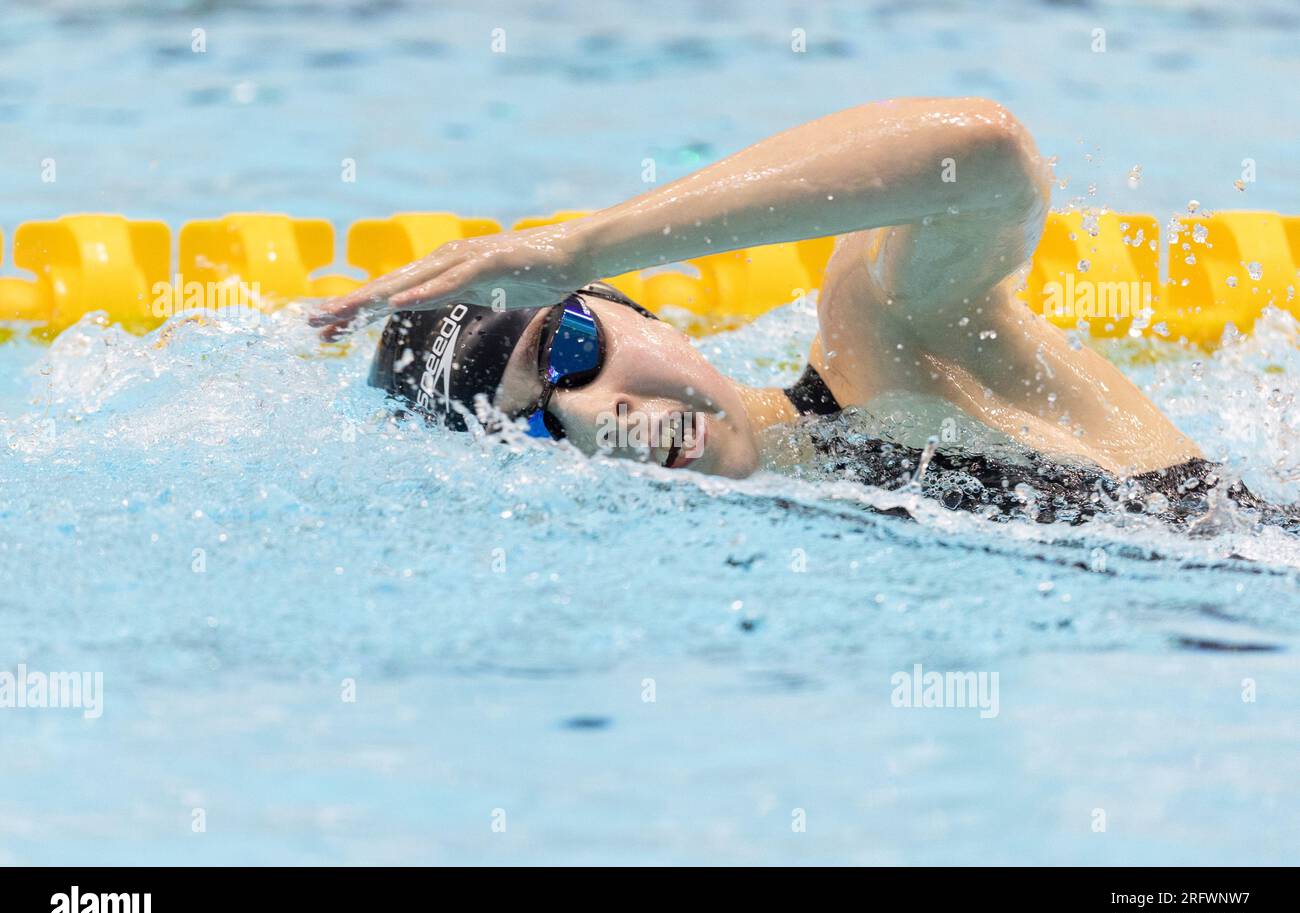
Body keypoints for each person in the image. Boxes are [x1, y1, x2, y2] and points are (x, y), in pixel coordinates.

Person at [310, 97, 1283, 529]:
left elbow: (984, 155)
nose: (603, 419)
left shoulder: (885, 332)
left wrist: (579, 249)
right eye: (535, 424)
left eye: (570, 347)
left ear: (640, 311)